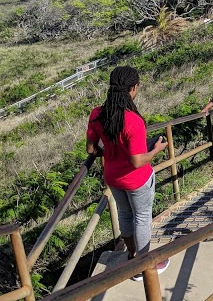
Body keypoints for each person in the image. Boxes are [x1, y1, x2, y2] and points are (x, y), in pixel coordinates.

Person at [86, 66, 170, 280]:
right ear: (133, 88)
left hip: (113, 177)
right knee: (142, 217)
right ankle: (144, 266)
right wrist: (155, 150)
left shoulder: (97, 114)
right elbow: (136, 161)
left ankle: (132, 257)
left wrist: (110, 152)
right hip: (136, 180)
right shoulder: (133, 120)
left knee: (125, 215)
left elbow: (91, 149)